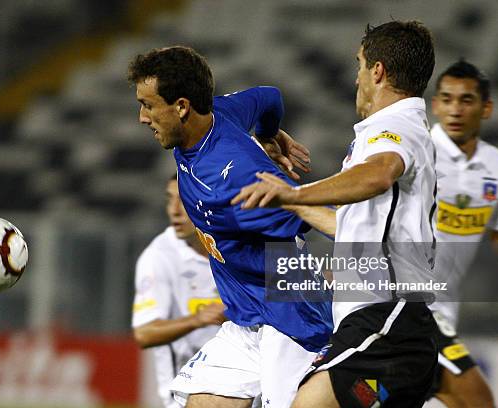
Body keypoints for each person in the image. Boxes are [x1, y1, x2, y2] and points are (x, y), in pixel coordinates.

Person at [233, 21, 439, 407]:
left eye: (360, 64)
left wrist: (295, 191)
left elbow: (379, 173)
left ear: (377, 71)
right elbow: (349, 229)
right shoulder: (394, 131)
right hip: (390, 324)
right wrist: (287, 198)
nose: (357, 77)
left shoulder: (395, 126)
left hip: (386, 318)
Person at [128, 46, 333, 408]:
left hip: (288, 322)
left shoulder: (232, 177)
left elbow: (311, 216)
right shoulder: (221, 113)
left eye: (148, 105)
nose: (142, 118)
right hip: (246, 318)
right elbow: (270, 96)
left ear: (181, 107)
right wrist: (271, 134)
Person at [423, 60, 498, 408]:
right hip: (410, 305)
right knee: (477, 399)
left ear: (486, 107)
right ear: (435, 105)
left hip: (446, 312)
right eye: (446, 99)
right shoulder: (418, 154)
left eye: (466, 100)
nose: (455, 109)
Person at [132, 176, 226, 408]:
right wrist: (198, 319)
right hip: (188, 394)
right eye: (169, 200)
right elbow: (145, 334)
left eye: (183, 200)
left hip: (249, 386)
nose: (174, 211)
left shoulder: (237, 245)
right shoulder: (159, 257)